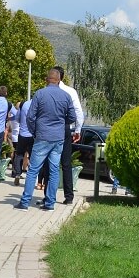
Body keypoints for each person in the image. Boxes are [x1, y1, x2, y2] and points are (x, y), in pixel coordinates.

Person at [15, 69, 76, 211]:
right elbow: (72, 117)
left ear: (46, 79)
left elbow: (30, 116)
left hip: (42, 136)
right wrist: (61, 123)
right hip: (58, 138)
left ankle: (24, 202)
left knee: (33, 170)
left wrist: (34, 130)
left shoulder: (40, 94)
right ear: (59, 80)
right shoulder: (66, 96)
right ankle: (50, 204)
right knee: (54, 170)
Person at [53, 66, 84, 205]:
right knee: (66, 163)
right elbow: (78, 112)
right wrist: (77, 130)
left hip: (50, 129)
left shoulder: (46, 91)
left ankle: (49, 196)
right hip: (65, 128)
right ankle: (69, 196)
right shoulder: (70, 91)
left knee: (50, 163)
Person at [13, 99, 33, 186]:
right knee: (33, 157)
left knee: (19, 154)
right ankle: (31, 177)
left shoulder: (23, 104)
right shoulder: (39, 105)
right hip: (33, 135)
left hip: (22, 134)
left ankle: (17, 174)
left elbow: (17, 119)